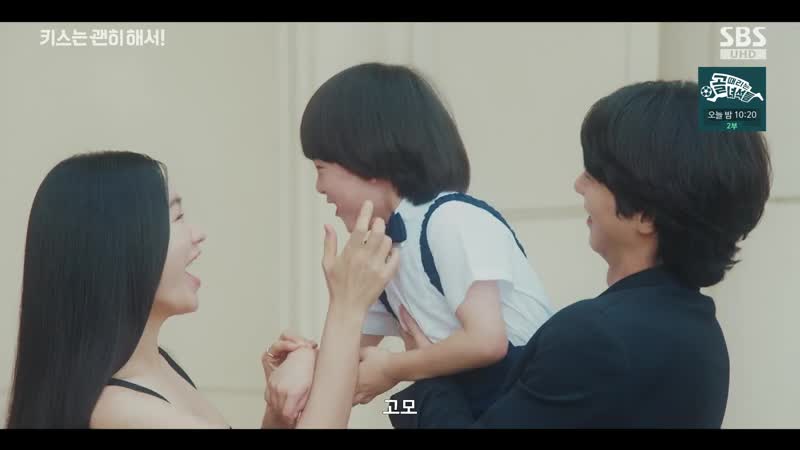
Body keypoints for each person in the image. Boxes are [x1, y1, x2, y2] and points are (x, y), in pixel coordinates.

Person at [269, 79, 772, 428]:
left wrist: (416, 369)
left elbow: (451, 390)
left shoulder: (594, 338)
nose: (578, 185)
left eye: (595, 173)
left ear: (644, 214)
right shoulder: (699, 335)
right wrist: (316, 360)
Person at [5, 150, 398, 429]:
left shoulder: (156, 368)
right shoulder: (119, 410)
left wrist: (278, 417)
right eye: (177, 216)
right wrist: (348, 307)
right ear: (120, 248)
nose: (197, 233)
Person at [294, 62, 553, 419]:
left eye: (321, 168)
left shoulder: (451, 220)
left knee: (404, 406)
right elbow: (346, 355)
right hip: (460, 393)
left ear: (366, 156)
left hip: (519, 390)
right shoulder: (384, 250)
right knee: (399, 408)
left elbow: (487, 342)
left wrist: (392, 368)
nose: (319, 188)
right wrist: (302, 364)